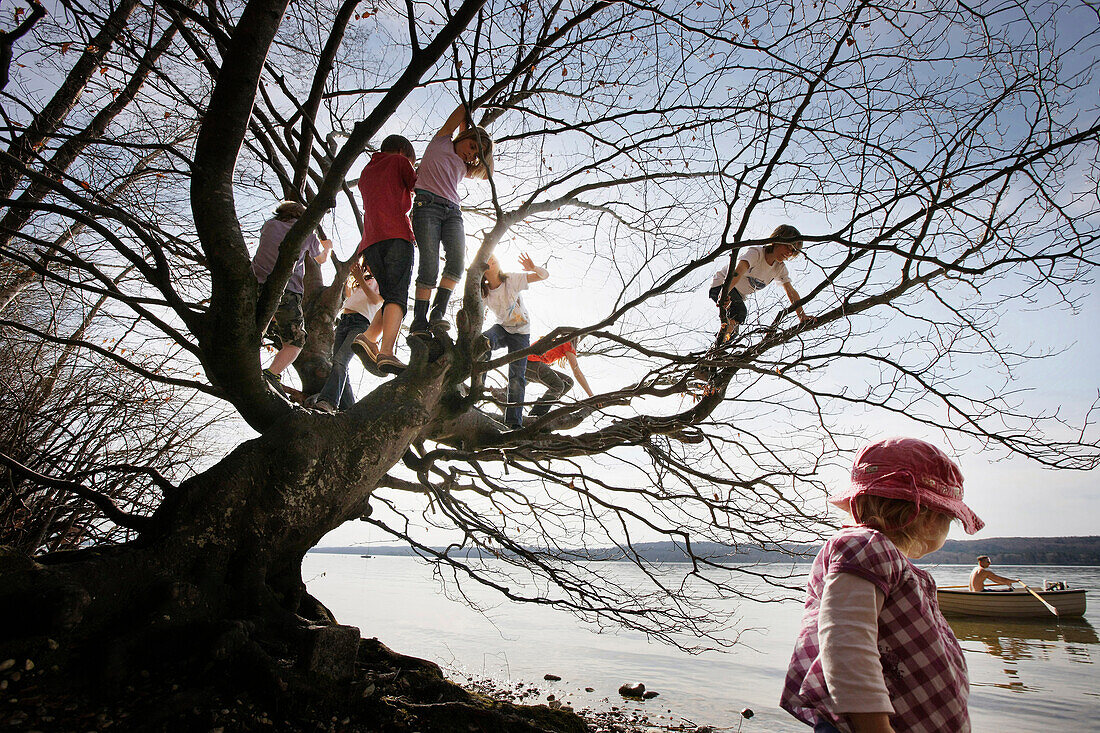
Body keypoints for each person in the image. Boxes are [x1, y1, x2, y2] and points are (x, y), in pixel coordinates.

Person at [780, 437, 985, 733]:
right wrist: (875, 727)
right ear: (926, 515)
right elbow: (847, 643)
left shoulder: (882, 558)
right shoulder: (866, 548)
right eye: (949, 518)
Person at [408, 104, 494, 335]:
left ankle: (437, 314)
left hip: (453, 212)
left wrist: (484, 152)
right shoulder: (442, 140)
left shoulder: (465, 166)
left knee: (456, 264)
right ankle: (419, 321)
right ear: (463, 136)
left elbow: (487, 173)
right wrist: (467, 128)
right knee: (429, 266)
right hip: (427, 207)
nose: (471, 154)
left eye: (477, 154)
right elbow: (461, 110)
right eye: (471, 146)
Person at [350, 134, 417, 375]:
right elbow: (419, 187)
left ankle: (369, 338)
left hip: (370, 243)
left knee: (389, 297)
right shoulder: (400, 163)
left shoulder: (366, 173)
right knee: (398, 296)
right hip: (396, 235)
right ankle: (386, 352)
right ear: (402, 151)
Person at [251, 201, 333, 392]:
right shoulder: (307, 233)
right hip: (287, 291)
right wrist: (327, 247)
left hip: (256, 285)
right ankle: (271, 374)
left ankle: (249, 351)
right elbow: (320, 259)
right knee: (296, 342)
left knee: (258, 326)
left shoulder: (269, 225)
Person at [709, 224, 812, 344]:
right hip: (722, 285)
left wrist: (802, 316)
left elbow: (791, 291)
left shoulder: (779, 268)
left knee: (735, 328)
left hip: (737, 295)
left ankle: (719, 347)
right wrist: (724, 293)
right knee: (739, 311)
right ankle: (721, 345)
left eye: (793, 251)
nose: (789, 253)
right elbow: (737, 272)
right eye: (788, 247)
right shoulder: (756, 253)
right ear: (777, 241)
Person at [481, 252, 548, 429]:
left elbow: (544, 276)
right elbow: (477, 315)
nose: (492, 258)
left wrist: (533, 268)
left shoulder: (511, 279)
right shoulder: (484, 292)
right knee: (482, 342)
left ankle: (513, 423)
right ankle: (477, 389)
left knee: (517, 378)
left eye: (493, 255)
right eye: (487, 258)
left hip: (521, 334)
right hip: (502, 329)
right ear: (482, 269)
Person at [312, 264, 382, 413]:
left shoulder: (381, 281)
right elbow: (351, 298)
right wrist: (352, 279)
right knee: (338, 364)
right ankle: (350, 409)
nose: (369, 266)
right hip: (344, 321)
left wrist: (360, 280)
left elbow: (376, 301)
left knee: (340, 361)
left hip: (361, 324)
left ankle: (328, 401)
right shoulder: (362, 280)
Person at [524, 336, 595, 419]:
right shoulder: (567, 343)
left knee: (568, 382)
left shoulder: (557, 342)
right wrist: (591, 395)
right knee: (558, 385)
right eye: (577, 341)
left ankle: (543, 409)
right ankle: (536, 415)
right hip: (529, 363)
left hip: (527, 365)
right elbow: (577, 372)